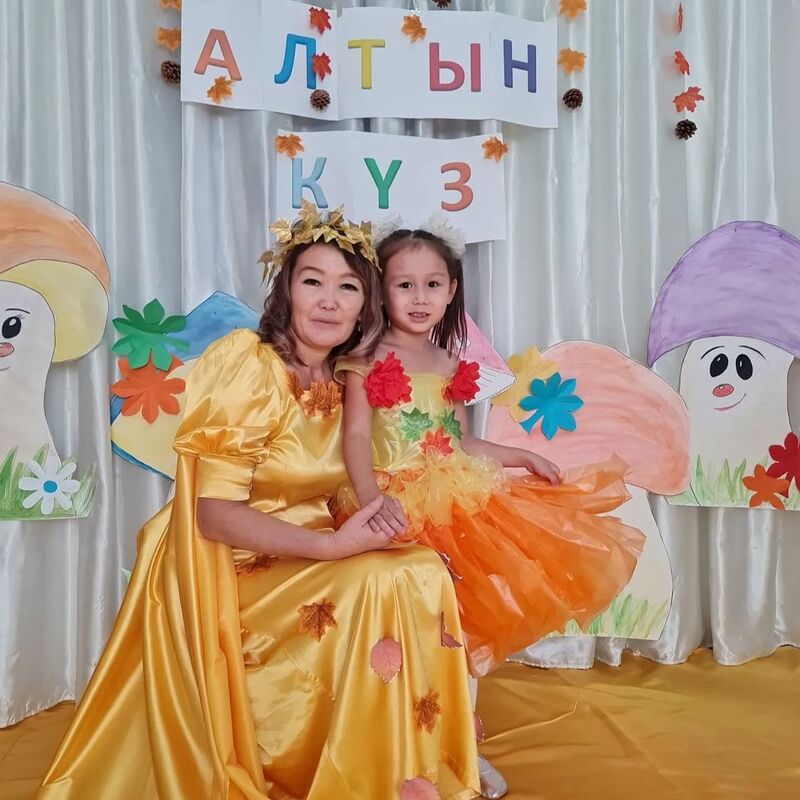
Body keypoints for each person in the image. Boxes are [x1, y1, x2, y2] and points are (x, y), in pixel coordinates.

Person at [38, 204, 480, 800]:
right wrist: (332, 547)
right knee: (379, 580)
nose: (329, 301)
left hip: (307, 549)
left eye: (348, 287)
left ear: (367, 304)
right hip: (230, 564)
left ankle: (399, 768)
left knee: (422, 568)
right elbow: (213, 515)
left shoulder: (341, 377)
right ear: (286, 291)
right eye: (313, 281)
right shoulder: (251, 365)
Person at [336, 218, 646, 795]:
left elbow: (459, 443)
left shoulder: (451, 365)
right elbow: (355, 437)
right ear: (379, 290)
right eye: (404, 285)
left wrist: (519, 456)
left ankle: (462, 748)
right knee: (403, 632)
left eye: (433, 284)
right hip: (393, 503)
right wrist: (372, 498)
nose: (420, 297)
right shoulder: (364, 359)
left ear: (452, 289)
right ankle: (397, 745)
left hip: (455, 501)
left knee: (460, 631)